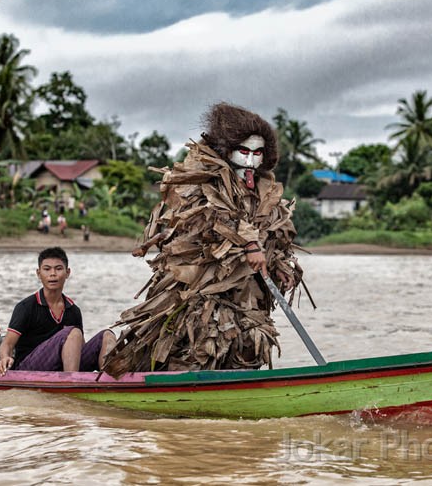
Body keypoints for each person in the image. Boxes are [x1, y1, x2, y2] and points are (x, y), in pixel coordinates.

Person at [103, 102, 304, 378]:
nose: (251, 160)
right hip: (203, 286)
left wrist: (281, 265)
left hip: (248, 289)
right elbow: (213, 219)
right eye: (244, 151)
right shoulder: (202, 181)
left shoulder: (265, 191)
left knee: (252, 339)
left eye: (258, 153)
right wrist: (249, 243)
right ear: (228, 150)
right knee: (205, 338)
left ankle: (241, 394)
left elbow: (275, 235)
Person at [0, 247, 116, 375]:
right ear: (38, 273)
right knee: (73, 332)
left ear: (67, 273)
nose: (53, 274)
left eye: (58, 269)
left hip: (62, 365)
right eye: (47, 269)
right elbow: (7, 344)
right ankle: (71, 384)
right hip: (28, 367)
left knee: (107, 335)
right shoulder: (26, 307)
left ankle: (109, 384)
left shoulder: (73, 310)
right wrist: (4, 358)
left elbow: (79, 346)